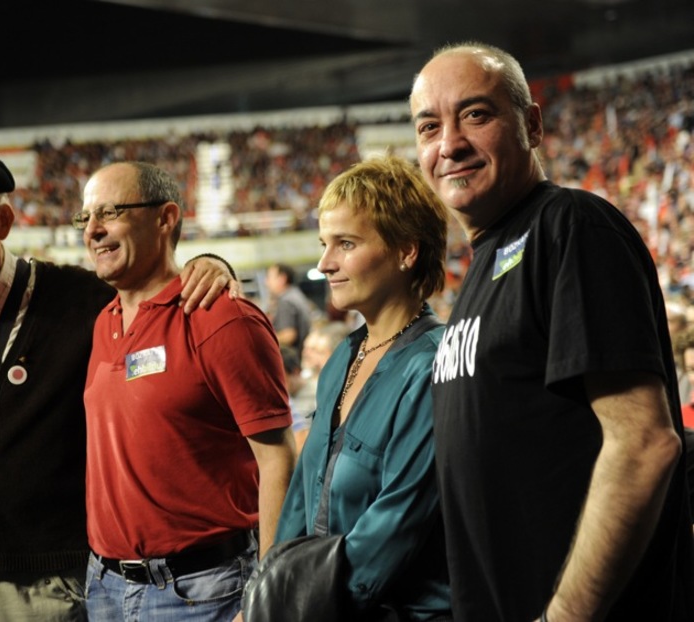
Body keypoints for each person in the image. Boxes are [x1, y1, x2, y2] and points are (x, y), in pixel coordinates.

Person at [0, 154, 236, 622]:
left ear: (3, 221)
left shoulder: (82, 299)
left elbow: (154, 283)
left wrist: (210, 263)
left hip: (57, 583)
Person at [410, 41, 694, 620]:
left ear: (532, 125)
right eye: (428, 126)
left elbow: (643, 442)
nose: (450, 144)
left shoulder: (571, 229)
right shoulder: (486, 262)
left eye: (476, 114)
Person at [79, 161, 296, 622]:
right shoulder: (103, 321)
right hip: (104, 588)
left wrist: (265, 592)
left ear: (166, 218)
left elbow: (279, 459)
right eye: (85, 217)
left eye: (110, 212)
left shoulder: (221, 317)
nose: (93, 230)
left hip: (203, 593)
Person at [273, 156, 451, 620]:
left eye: (345, 244)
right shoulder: (341, 358)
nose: (324, 263)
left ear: (407, 250)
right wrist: (270, 589)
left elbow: (396, 526)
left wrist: (296, 607)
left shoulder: (433, 366)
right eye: (324, 244)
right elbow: (299, 500)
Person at [264, 263, 312, 356]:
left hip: (293, 357)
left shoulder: (286, 301)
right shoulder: (296, 295)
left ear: (282, 279)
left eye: (269, 278)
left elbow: (288, 335)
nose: (266, 282)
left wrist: (263, 341)